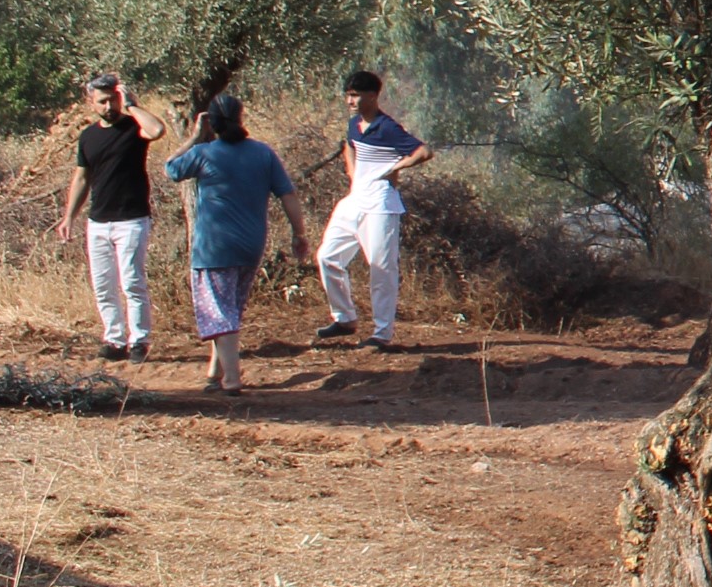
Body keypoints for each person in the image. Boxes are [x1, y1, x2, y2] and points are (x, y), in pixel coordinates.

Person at [162, 97, 309, 394]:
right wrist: (299, 234)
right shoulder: (263, 153)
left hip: (214, 248)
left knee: (218, 312)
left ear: (211, 124)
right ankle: (215, 373)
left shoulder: (204, 153)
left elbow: (170, 169)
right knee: (230, 309)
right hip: (251, 246)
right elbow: (288, 195)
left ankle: (232, 379)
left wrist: (193, 137)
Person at [314, 68, 432, 350]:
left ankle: (382, 334)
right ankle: (344, 319)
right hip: (355, 199)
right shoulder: (354, 125)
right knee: (327, 257)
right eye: (347, 96)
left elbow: (423, 152)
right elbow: (349, 146)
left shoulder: (388, 127)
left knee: (381, 269)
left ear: (372, 96)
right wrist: (353, 173)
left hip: (381, 204)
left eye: (355, 96)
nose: (350, 101)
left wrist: (395, 168)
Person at [53, 72, 160, 362]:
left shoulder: (133, 128)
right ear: (92, 103)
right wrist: (68, 218)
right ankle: (114, 340)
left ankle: (139, 341)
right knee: (103, 284)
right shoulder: (88, 136)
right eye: (102, 101)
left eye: (113, 99)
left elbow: (157, 130)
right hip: (98, 221)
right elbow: (81, 178)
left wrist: (133, 106)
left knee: (131, 281)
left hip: (132, 218)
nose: (108, 106)